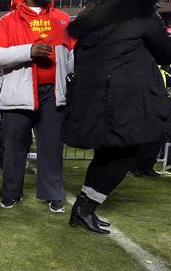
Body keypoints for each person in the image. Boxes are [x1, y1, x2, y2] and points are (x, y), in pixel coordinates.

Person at [61, 0, 171, 234]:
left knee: (108, 153)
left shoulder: (91, 20)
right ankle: (85, 207)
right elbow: (165, 53)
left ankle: (83, 208)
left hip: (98, 96)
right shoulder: (142, 15)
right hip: (126, 97)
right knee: (126, 153)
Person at [0, 0, 74, 212]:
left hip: (53, 94)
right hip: (19, 95)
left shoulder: (62, 18)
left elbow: (72, 56)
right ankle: (10, 194)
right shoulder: (8, 20)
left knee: (52, 148)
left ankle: (53, 195)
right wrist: (28, 51)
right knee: (14, 149)